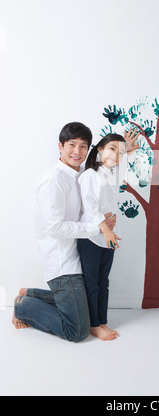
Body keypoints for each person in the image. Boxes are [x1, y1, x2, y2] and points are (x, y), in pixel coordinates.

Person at [12, 122, 116, 342]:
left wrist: (103, 219)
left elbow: (89, 204)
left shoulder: (81, 175)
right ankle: (24, 306)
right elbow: (56, 227)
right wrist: (98, 227)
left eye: (83, 146)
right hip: (63, 264)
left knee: (90, 303)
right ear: (60, 146)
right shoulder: (53, 181)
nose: (77, 152)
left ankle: (31, 293)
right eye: (71, 145)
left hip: (80, 257)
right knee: (77, 330)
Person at [77, 129, 139, 341]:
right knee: (92, 283)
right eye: (112, 149)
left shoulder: (110, 174)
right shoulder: (89, 175)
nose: (116, 155)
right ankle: (93, 324)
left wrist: (127, 152)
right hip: (94, 237)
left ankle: (101, 321)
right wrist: (105, 230)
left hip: (109, 237)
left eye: (120, 152)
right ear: (100, 149)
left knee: (103, 281)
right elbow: (90, 207)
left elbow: (122, 168)